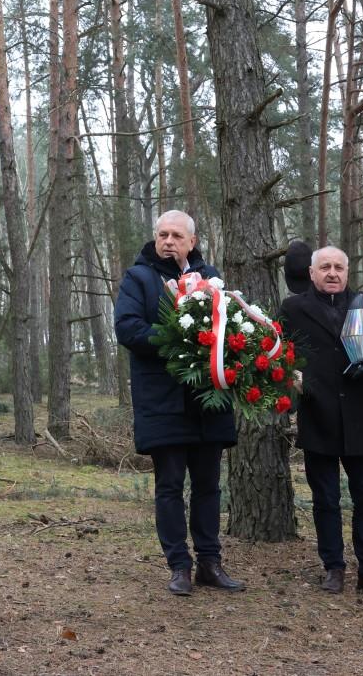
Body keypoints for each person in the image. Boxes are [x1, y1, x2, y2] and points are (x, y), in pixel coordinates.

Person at [113, 210, 245, 596]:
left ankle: (210, 562)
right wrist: (179, 339)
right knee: (169, 486)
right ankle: (179, 567)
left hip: (208, 400)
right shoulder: (138, 278)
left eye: (176, 236)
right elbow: (127, 328)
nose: (168, 241)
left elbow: (231, 326)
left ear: (192, 241)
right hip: (162, 400)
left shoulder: (210, 278)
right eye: (162, 234)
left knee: (208, 487)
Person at [279, 245, 363, 601]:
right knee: (326, 499)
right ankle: (333, 567)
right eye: (325, 267)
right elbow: (275, 350)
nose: (332, 273)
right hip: (318, 414)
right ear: (311, 273)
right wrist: (289, 378)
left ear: (348, 271)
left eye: (339, 267)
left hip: (361, 418)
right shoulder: (293, 308)